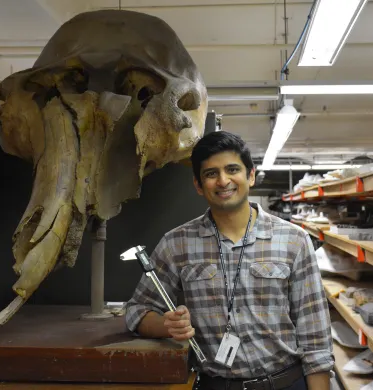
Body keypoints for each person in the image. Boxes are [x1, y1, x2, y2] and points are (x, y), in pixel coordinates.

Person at [125, 131, 334, 390]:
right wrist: (165, 325)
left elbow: (315, 336)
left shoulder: (294, 240)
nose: (223, 181)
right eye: (211, 174)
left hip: (285, 382)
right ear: (199, 186)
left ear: (251, 176)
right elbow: (137, 311)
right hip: (215, 385)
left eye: (232, 169)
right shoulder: (176, 244)